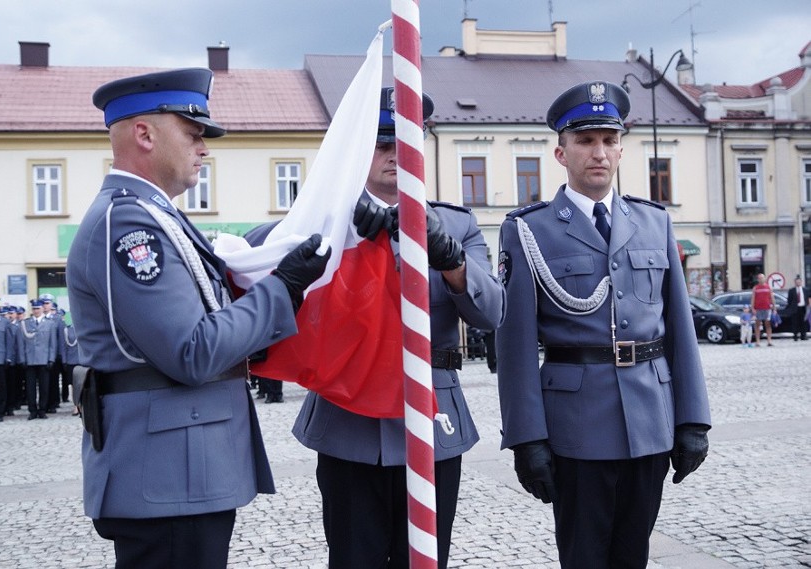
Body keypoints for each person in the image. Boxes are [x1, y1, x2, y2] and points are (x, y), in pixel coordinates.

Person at [66, 67, 330, 569]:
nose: (204, 148)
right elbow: (192, 351)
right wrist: (284, 286)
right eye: (192, 134)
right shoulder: (128, 221)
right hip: (166, 473)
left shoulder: (154, 213)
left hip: (179, 469)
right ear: (144, 133)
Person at [249, 87, 505, 568]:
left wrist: (448, 257)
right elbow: (261, 256)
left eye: (404, 143)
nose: (394, 156)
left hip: (432, 415)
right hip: (350, 418)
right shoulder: (328, 218)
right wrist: (337, 218)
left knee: (427, 560)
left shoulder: (454, 223)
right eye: (381, 144)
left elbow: (491, 313)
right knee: (354, 558)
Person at [496, 81, 711, 569]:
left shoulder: (654, 222)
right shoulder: (529, 230)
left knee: (632, 555)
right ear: (561, 151)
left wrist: (693, 419)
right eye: (586, 140)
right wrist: (527, 437)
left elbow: (680, 328)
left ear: (621, 148)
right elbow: (515, 348)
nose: (599, 152)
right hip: (576, 428)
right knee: (584, 557)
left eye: (609, 140)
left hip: (650, 422)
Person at [18, 299, 57, 420]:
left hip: (44, 359)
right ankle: (32, 410)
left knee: (44, 387)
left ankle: (42, 410)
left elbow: (52, 343)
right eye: (34, 309)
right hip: (30, 360)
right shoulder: (26, 323)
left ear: (42, 309)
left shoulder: (50, 323)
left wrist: (51, 359)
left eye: (38, 308)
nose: (36, 311)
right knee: (30, 388)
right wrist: (22, 359)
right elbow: (21, 344)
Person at [751, 273, 776, 346]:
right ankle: (758, 341)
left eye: (762, 278)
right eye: (759, 278)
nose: (761, 279)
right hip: (758, 309)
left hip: (767, 308)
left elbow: (772, 298)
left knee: (768, 324)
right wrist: (752, 308)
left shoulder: (768, 287)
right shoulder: (755, 288)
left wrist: (774, 308)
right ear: (758, 279)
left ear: (765, 278)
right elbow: (753, 298)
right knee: (757, 325)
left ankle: (769, 341)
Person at [786, 275, 809, 341]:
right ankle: (795, 336)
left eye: (799, 282)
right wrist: (790, 308)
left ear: (801, 282)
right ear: (795, 282)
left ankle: (803, 336)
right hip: (795, 309)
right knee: (795, 323)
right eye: (797, 282)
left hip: (803, 308)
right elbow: (789, 300)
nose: (798, 283)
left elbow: (807, 299)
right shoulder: (791, 290)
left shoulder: (805, 290)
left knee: (803, 322)